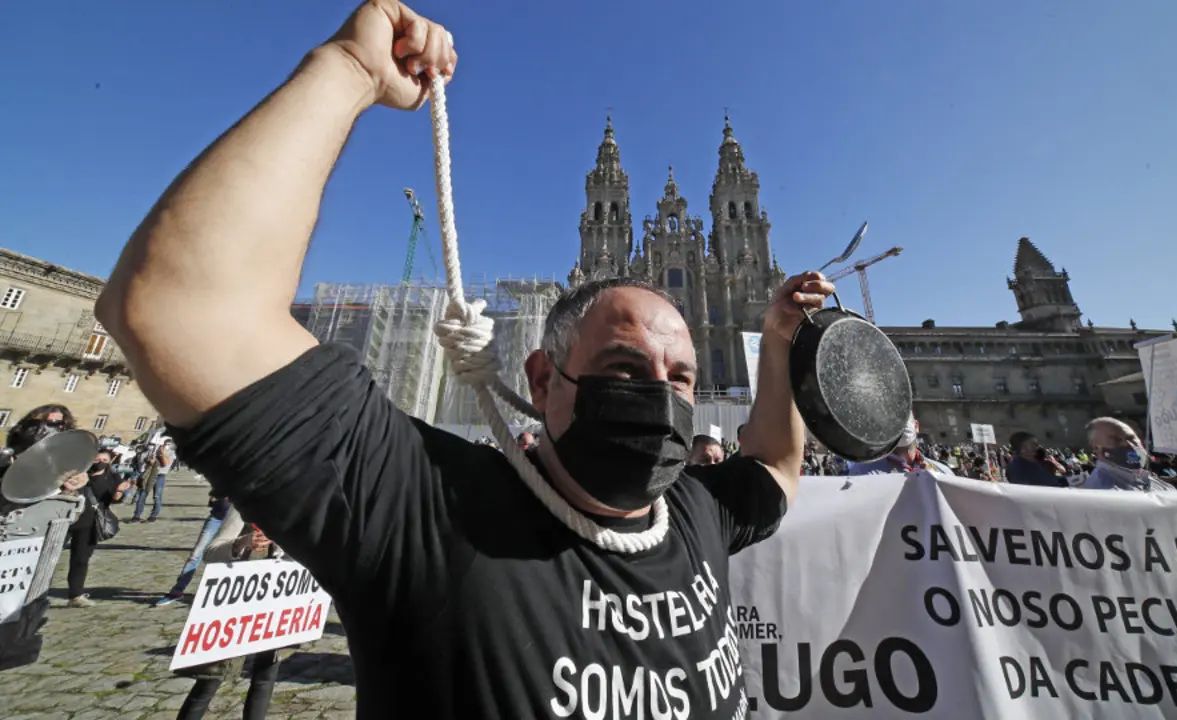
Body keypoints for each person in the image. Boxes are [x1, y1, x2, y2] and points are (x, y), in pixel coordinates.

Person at [94, 2, 830, 716]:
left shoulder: (695, 514)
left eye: (680, 377)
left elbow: (774, 461)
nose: (660, 397)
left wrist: (776, 339)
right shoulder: (435, 515)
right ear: (540, 380)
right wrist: (348, 67)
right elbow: (183, 308)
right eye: (623, 369)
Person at [174, 506, 283, 719]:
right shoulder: (243, 504)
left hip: (275, 604)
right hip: (237, 605)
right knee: (211, 679)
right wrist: (242, 543)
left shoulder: (299, 507)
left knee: (265, 676)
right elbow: (210, 552)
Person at [64, 450, 128, 608]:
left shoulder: (113, 477)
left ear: (110, 462)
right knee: (48, 555)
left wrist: (120, 490)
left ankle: (75, 595)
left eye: (104, 460)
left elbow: (114, 499)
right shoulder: (78, 473)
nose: (100, 462)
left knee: (80, 559)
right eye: (97, 459)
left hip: (89, 523)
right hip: (65, 519)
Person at [154, 495, 233, 606]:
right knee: (195, 555)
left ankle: (222, 594)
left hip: (233, 524)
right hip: (216, 519)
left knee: (228, 558)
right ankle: (177, 591)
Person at [1079, 417, 1175, 491]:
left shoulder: (1148, 480)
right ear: (1096, 448)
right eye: (1117, 439)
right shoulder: (1102, 490)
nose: (1128, 444)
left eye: (1132, 438)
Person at [846, 412, 954, 476]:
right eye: (892, 422)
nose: (900, 425)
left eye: (904, 417)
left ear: (916, 426)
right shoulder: (863, 473)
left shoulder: (942, 472)